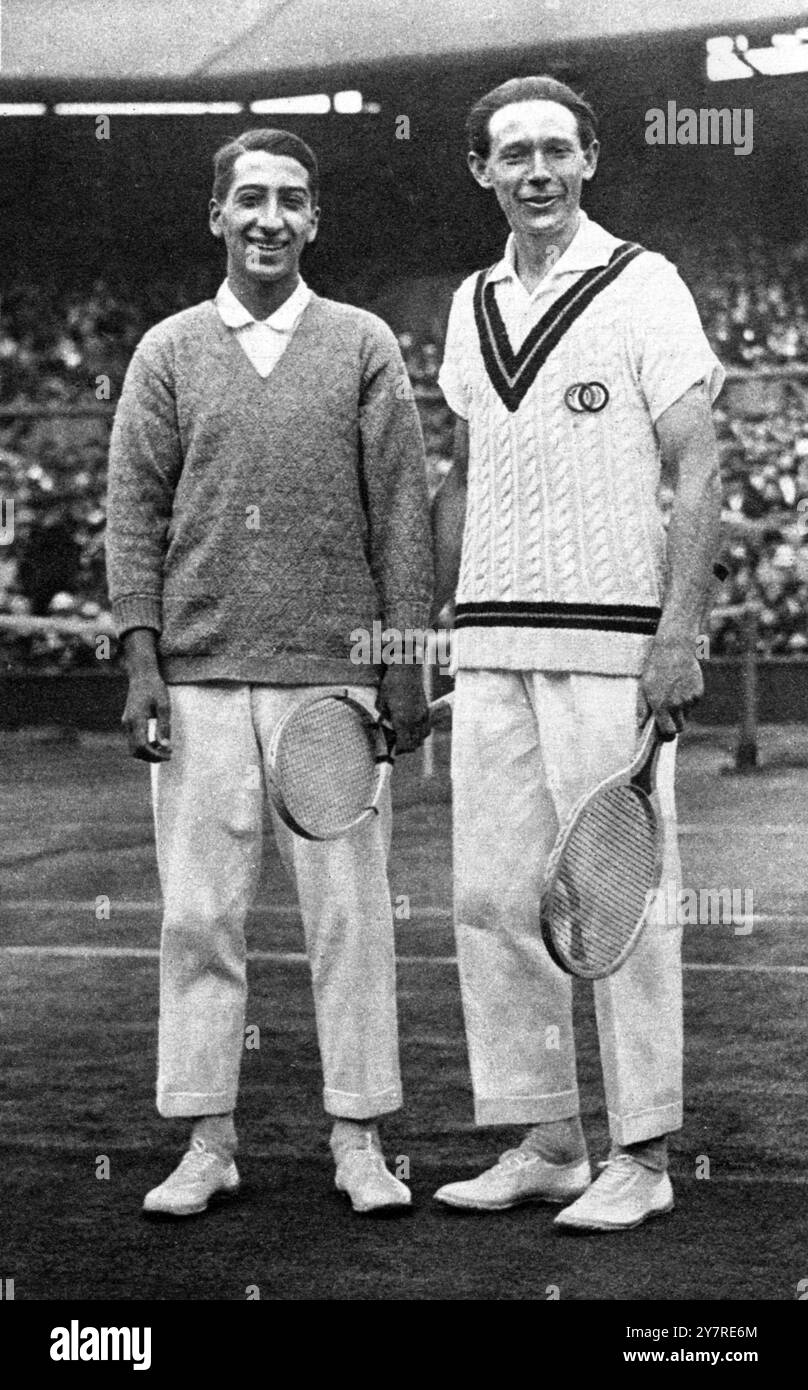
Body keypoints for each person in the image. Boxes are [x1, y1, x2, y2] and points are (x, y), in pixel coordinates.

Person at [105, 128, 433, 1218]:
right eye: (249, 199)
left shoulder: (363, 343)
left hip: (334, 682)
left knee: (351, 916)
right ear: (216, 214)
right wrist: (140, 655)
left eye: (291, 201)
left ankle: (360, 1136)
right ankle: (207, 1137)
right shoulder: (167, 350)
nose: (269, 219)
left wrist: (402, 658)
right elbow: (134, 512)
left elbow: (401, 512)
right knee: (199, 917)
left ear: (314, 220)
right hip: (198, 679)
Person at [431, 77, 724, 1230]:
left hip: (610, 643)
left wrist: (678, 633)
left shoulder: (646, 283)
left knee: (615, 897)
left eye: (557, 149)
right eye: (515, 155)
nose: (537, 171)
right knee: (492, 897)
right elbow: (467, 471)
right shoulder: (469, 300)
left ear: (589, 160)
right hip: (490, 642)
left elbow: (697, 465)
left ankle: (642, 1154)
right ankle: (547, 1137)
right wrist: (434, 634)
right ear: (482, 171)